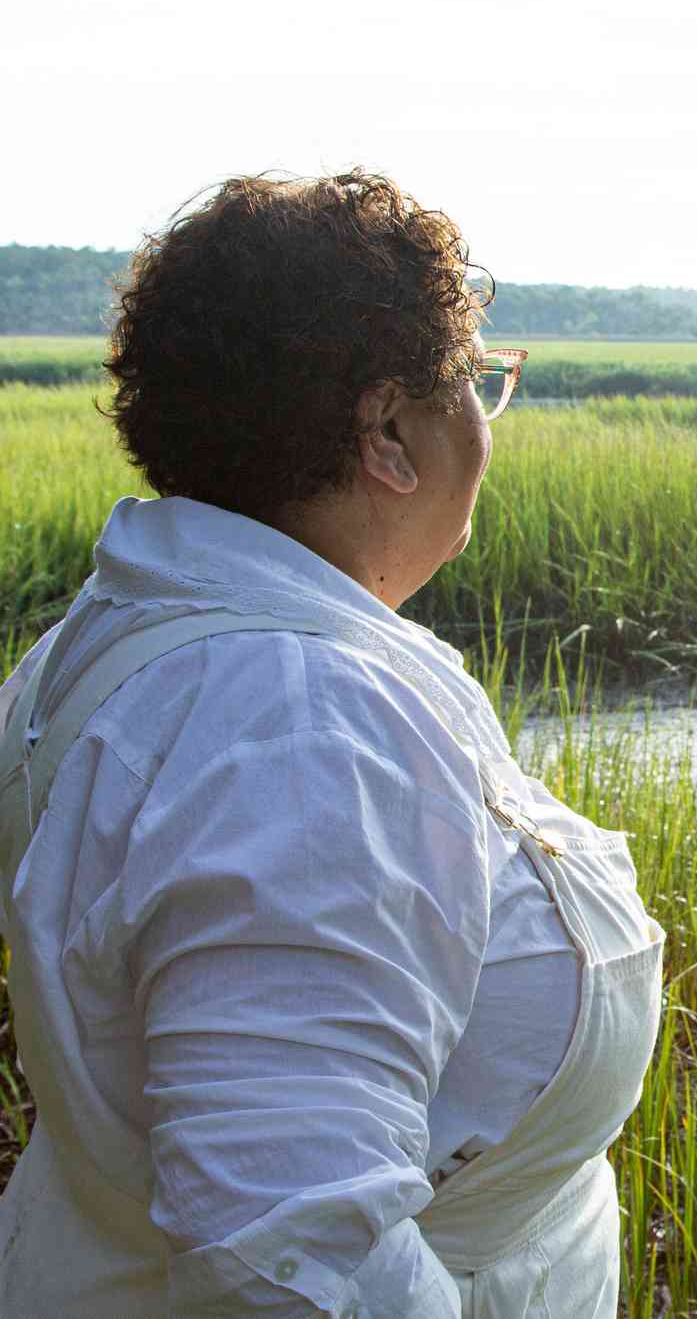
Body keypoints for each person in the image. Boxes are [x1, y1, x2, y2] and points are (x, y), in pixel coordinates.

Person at [0, 171, 663, 1317]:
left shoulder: (127, 637)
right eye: (473, 384)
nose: (483, 422)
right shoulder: (297, 724)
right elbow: (285, 1254)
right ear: (390, 433)